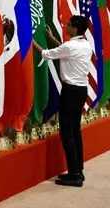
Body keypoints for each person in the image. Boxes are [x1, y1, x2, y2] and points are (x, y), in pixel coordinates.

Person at [32, 15, 93, 188]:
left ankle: (74, 174)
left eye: (69, 24)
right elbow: (66, 51)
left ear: (75, 28)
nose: (66, 25)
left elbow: (45, 54)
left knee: (66, 132)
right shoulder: (85, 44)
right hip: (81, 90)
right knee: (75, 131)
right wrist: (52, 39)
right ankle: (78, 170)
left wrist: (30, 40)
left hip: (70, 91)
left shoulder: (70, 46)